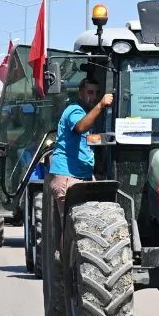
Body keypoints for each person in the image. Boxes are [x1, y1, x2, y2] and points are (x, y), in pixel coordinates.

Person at [49, 76, 114, 217]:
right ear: (80, 94)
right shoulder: (74, 110)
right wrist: (101, 104)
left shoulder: (90, 117)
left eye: (97, 93)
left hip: (84, 176)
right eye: (90, 93)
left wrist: (98, 172)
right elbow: (80, 127)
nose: (94, 97)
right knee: (71, 226)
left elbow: (92, 145)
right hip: (69, 176)